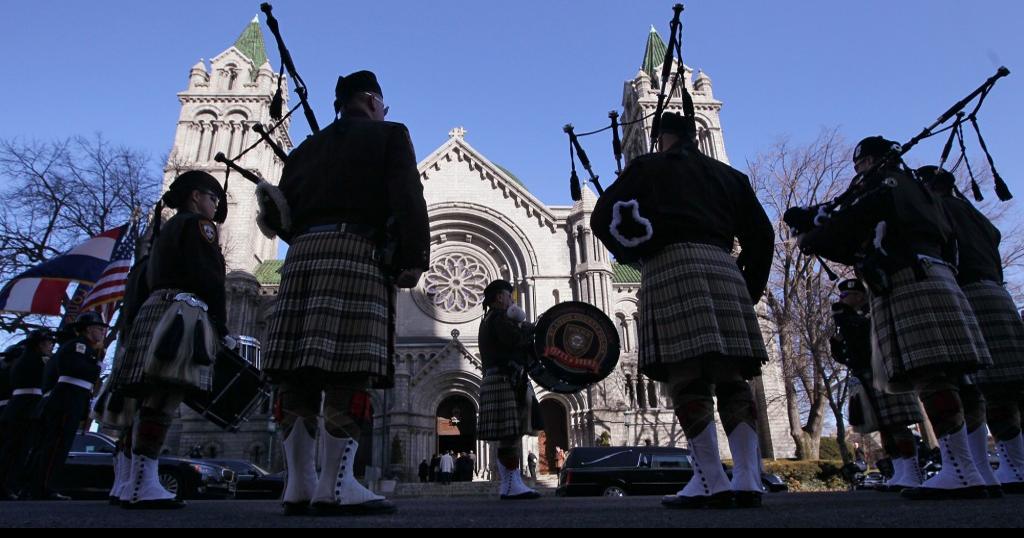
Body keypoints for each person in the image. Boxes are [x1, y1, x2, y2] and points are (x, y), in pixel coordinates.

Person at [262, 70, 429, 517]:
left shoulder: (304, 150)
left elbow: (280, 213)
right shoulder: (390, 135)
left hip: (301, 256)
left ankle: (299, 484)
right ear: (373, 102)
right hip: (355, 250)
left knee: (297, 370)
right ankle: (338, 486)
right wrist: (414, 255)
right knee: (348, 368)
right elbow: (407, 196)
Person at [592, 112, 774, 509]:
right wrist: (749, 286)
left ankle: (712, 480)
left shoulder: (647, 168)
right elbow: (762, 235)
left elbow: (602, 217)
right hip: (724, 267)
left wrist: (635, 251)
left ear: (661, 139)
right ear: (695, 135)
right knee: (732, 378)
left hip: (670, 265)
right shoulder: (730, 176)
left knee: (687, 377)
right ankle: (747, 478)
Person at [798, 137, 992, 500]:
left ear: (868, 161)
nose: (857, 174)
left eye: (859, 167)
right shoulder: (924, 193)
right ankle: (977, 469)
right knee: (959, 377)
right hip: (938, 272)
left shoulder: (883, 185)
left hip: (906, 277)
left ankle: (961, 470)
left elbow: (851, 223)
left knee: (931, 374)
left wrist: (813, 231)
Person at [108, 170, 230, 509]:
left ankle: (133, 483)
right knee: (163, 399)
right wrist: (221, 325)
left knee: (149, 399)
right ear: (196, 197)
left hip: (155, 311)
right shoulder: (199, 227)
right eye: (212, 198)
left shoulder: (162, 234)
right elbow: (210, 278)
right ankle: (143, 485)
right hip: (181, 313)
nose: (215, 205)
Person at [921, 165, 1024, 494]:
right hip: (997, 290)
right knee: (1008, 385)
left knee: (974, 385)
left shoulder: (937, 208)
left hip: (964, 289)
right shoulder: (972, 212)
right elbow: (994, 238)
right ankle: (1011, 467)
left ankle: (984, 467)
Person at [831, 278, 927, 492]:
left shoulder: (873, 313)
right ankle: (899, 471)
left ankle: (912, 471)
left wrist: (844, 317)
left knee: (897, 423)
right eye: (842, 297)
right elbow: (844, 351)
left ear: (860, 296)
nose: (842, 300)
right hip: (864, 374)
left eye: (847, 296)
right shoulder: (846, 319)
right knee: (884, 426)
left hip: (882, 370)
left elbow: (864, 335)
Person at [24, 312, 107, 500]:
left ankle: (40, 486)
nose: (102, 332)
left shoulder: (85, 348)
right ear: (88, 329)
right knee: (56, 446)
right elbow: (76, 369)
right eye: (99, 328)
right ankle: (44, 487)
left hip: (72, 398)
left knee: (57, 445)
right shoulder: (78, 346)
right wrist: (97, 367)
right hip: (67, 399)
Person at [477, 280, 542, 500]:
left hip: (498, 378)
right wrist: (529, 330)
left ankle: (509, 483)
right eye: (509, 295)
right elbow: (514, 342)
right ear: (499, 298)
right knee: (510, 435)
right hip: (505, 379)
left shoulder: (489, 319)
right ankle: (511, 484)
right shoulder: (498, 317)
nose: (512, 299)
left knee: (509, 435)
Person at [0, 329, 55, 500]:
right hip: (26, 407)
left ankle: (10, 485)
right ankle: (7, 486)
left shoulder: (26, 360)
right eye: (48, 343)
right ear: (40, 344)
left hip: (20, 406)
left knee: (15, 449)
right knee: (16, 449)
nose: (51, 346)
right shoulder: (35, 361)